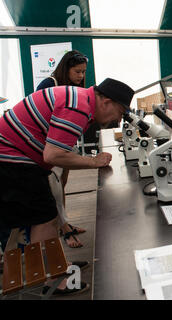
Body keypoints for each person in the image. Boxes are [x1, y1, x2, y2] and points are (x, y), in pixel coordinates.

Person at [0, 77, 135, 295]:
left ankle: (56, 269)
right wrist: (93, 162)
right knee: (44, 219)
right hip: (11, 160)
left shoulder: (79, 99)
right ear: (107, 102)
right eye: (119, 113)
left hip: (16, 156)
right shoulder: (79, 107)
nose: (116, 120)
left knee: (46, 218)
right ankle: (54, 281)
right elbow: (53, 155)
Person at [36, 50, 88, 248]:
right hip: (48, 143)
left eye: (83, 72)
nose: (81, 76)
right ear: (65, 69)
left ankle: (64, 222)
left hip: (65, 142)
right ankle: (63, 228)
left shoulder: (75, 86)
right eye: (77, 72)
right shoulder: (49, 84)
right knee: (53, 188)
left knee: (62, 186)